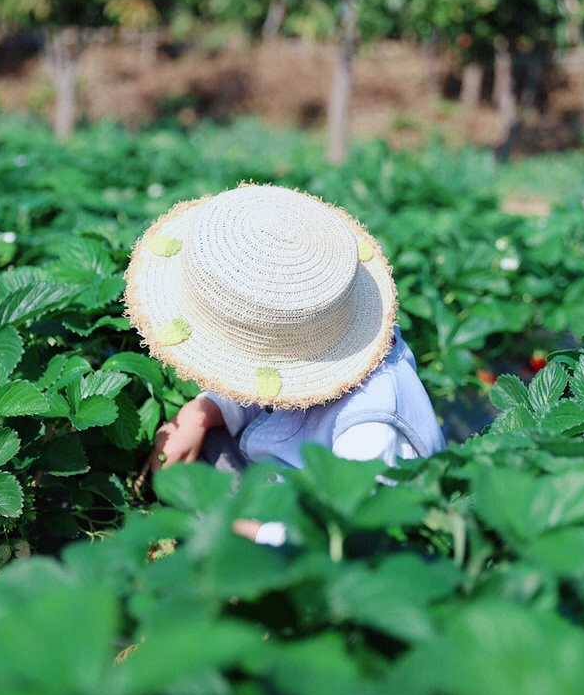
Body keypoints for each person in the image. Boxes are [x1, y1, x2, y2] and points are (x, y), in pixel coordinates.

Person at [124, 183, 446, 547]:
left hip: (330, 537)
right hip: (280, 481)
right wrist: (206, 409)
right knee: (202, 455)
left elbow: (351, 534)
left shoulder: (370, 426)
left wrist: (240, 530)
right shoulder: (313, 340)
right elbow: (262, 389)